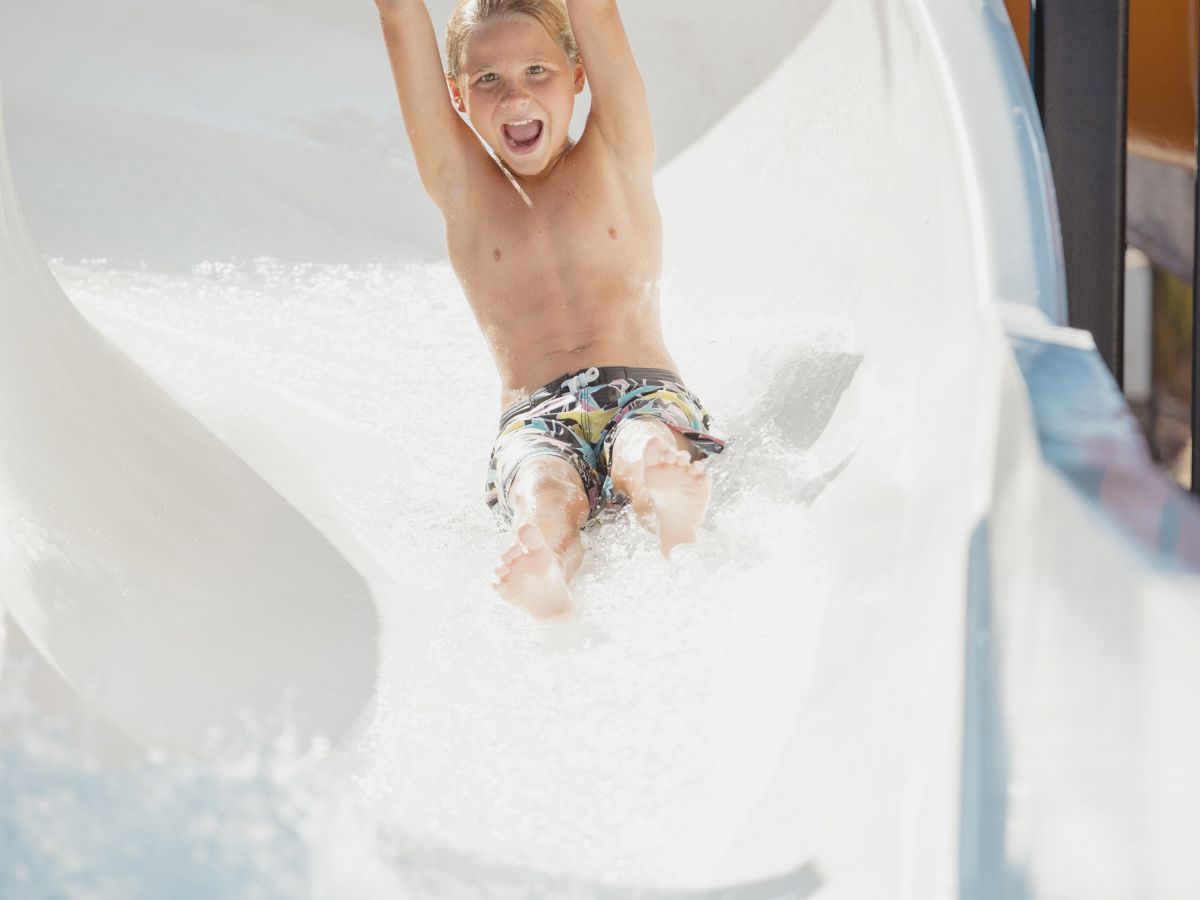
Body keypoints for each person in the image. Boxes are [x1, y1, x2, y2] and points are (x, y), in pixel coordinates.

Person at [375, 0, 727, 619]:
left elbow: (598, 13)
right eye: (488, 80)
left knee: (643, 448)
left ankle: (667, 505)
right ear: (456, 95)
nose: (515, 97)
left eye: (538, 70)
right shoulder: (461, 185)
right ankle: (545, 568)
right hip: (534, 420)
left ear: (579, 73)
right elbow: (400, 17)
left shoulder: (616, 151)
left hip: (644, 393)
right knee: (543, 488)